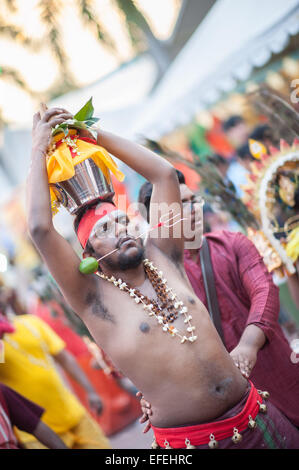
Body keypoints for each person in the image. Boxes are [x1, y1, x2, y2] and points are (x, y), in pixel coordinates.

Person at [26, 107, 299, 449]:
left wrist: (91, 135)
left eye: (123, 221)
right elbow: (40, 228)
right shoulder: (92, 299)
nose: (121, 230)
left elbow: (164, 175)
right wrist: (38, 148)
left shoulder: (164, 254)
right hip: (192, 444)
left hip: (258, 417)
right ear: (89, 257)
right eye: (105, 230)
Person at [138, 170, 299, 433]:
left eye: (193, 200)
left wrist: (248, 345)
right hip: (227, 407)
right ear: (157, 220)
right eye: (181, 205)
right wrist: (153, 394)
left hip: (277, 370)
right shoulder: (153, 279)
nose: (193, 209)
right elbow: (151, 343)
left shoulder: (232, 243)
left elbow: (264, 290)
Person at [0, 285, 110, 449]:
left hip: (73, 415)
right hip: (34, 434)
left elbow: (64, 358)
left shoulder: (31, 323)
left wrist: (90, 391)